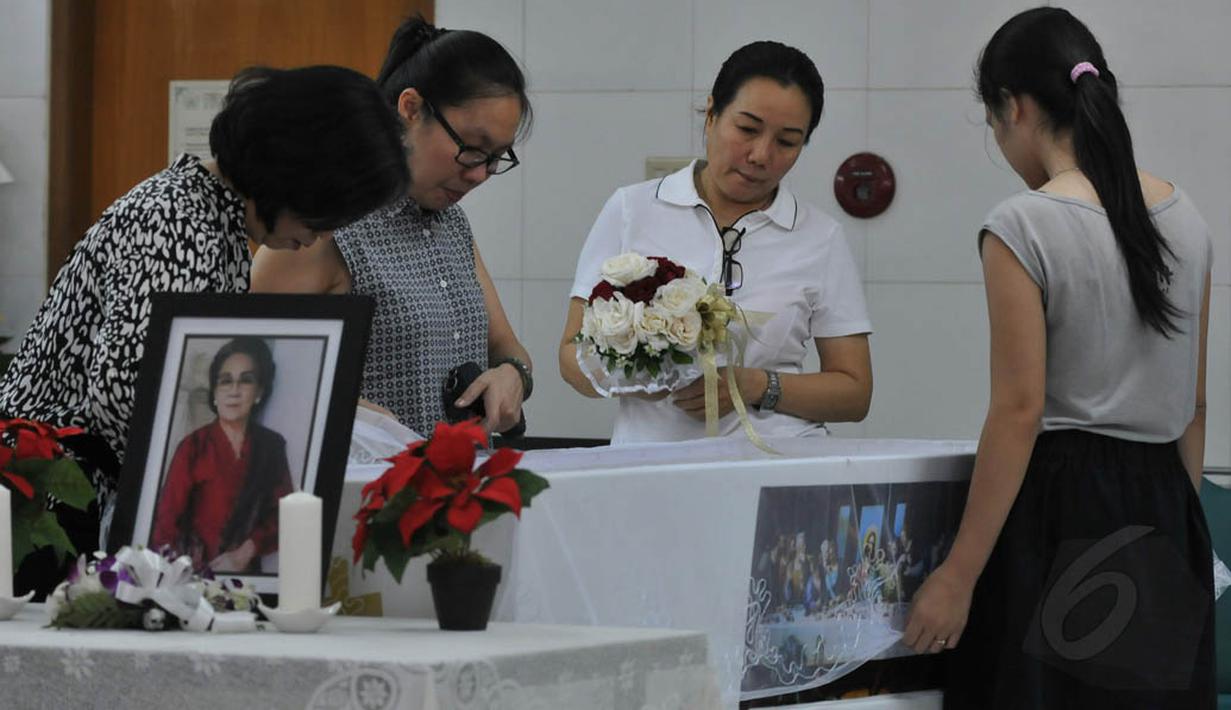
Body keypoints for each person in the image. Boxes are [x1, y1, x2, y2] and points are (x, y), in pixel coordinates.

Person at [903, 8, 1213, 707]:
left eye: (993, 125)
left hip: (1060, 510)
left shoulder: (1024, 222)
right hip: (1166, 504)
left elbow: (1019, 412)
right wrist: (1172, 535)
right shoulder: (1186, 217)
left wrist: (957, 575)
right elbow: (1194, 406)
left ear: (1012, 107)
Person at [0, 64, 408, 594]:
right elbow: (126, 392)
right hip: (47, 503)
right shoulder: (178, 220)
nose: (319, 237)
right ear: (292, 172)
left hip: (61, 495)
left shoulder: (212, 218)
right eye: (322, 215)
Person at [559, 41, 872, 443]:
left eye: (787, 141)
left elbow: (854, 393)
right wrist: (639, 375)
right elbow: (571, 357)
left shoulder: (819, 236)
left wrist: (756, 385)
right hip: (651, 463)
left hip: (775, 462)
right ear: (711, 114)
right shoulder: (632, 208)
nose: (761, 155)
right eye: (747, 129)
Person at [251, 16, 534, 438]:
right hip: (369, 476)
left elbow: (506, 347)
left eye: (496, 158)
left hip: (462, 473)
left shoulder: (452, 223)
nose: (479, 174)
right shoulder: (325, 226)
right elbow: (247, 365)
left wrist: (514, 374)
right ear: (411, 109)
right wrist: (345, 408)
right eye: (472, 149)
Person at [151, 338, 293, 573]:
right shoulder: (193, 447)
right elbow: (165, 527)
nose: (234, 391)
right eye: (225, 381)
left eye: (246, 380)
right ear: (215, 393)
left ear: (259, 392)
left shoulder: (272, 447)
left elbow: (284, 515)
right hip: (192, 578)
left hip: (249, 580)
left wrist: (244, 552)